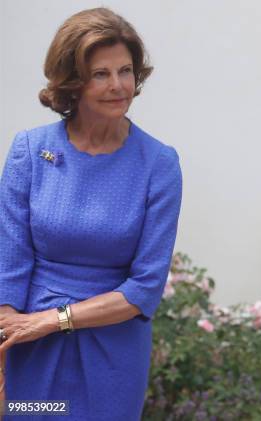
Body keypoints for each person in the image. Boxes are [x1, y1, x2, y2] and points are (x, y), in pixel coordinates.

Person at [0, 8, 181, 420]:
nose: (118, 86)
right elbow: (8, 264)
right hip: (28, 346)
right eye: (101, 74)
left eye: (126, 71)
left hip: (111, 351)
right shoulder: (30, 151)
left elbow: (145, 288)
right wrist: (10, 327)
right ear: (73, 81)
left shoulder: (159, 164)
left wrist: (54, 320)